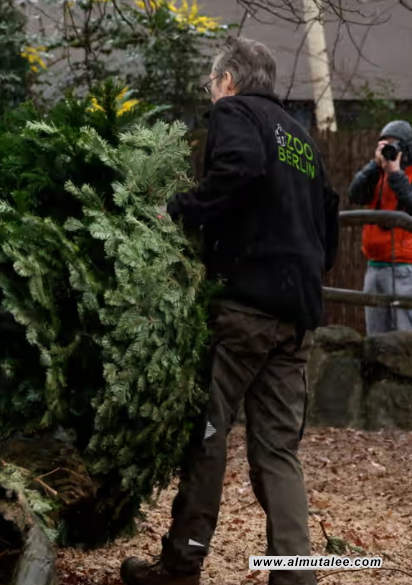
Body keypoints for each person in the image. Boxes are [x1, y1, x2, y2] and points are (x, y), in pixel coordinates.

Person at [121, 36, 340, 585]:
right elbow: (329, 213)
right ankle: (295, 575)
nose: (211, 94)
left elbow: (238, 167)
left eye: (211, 84)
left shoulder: (235, 112)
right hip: (296, 316)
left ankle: (181, 565)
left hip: (244, 308)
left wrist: (177, 210)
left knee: (208, 434)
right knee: (278, 451)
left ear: (228, 80)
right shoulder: (300, 137)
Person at [347, 120, 412, 334]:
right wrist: (374, 166)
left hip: (405, 267)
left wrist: (396, 173)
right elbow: (355, 195)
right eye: (385, 145)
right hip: (375, 265)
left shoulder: (405, 175)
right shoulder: (378, 173)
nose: (390, 150)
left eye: (395, 145)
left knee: (405, 336)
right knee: (375, 338)